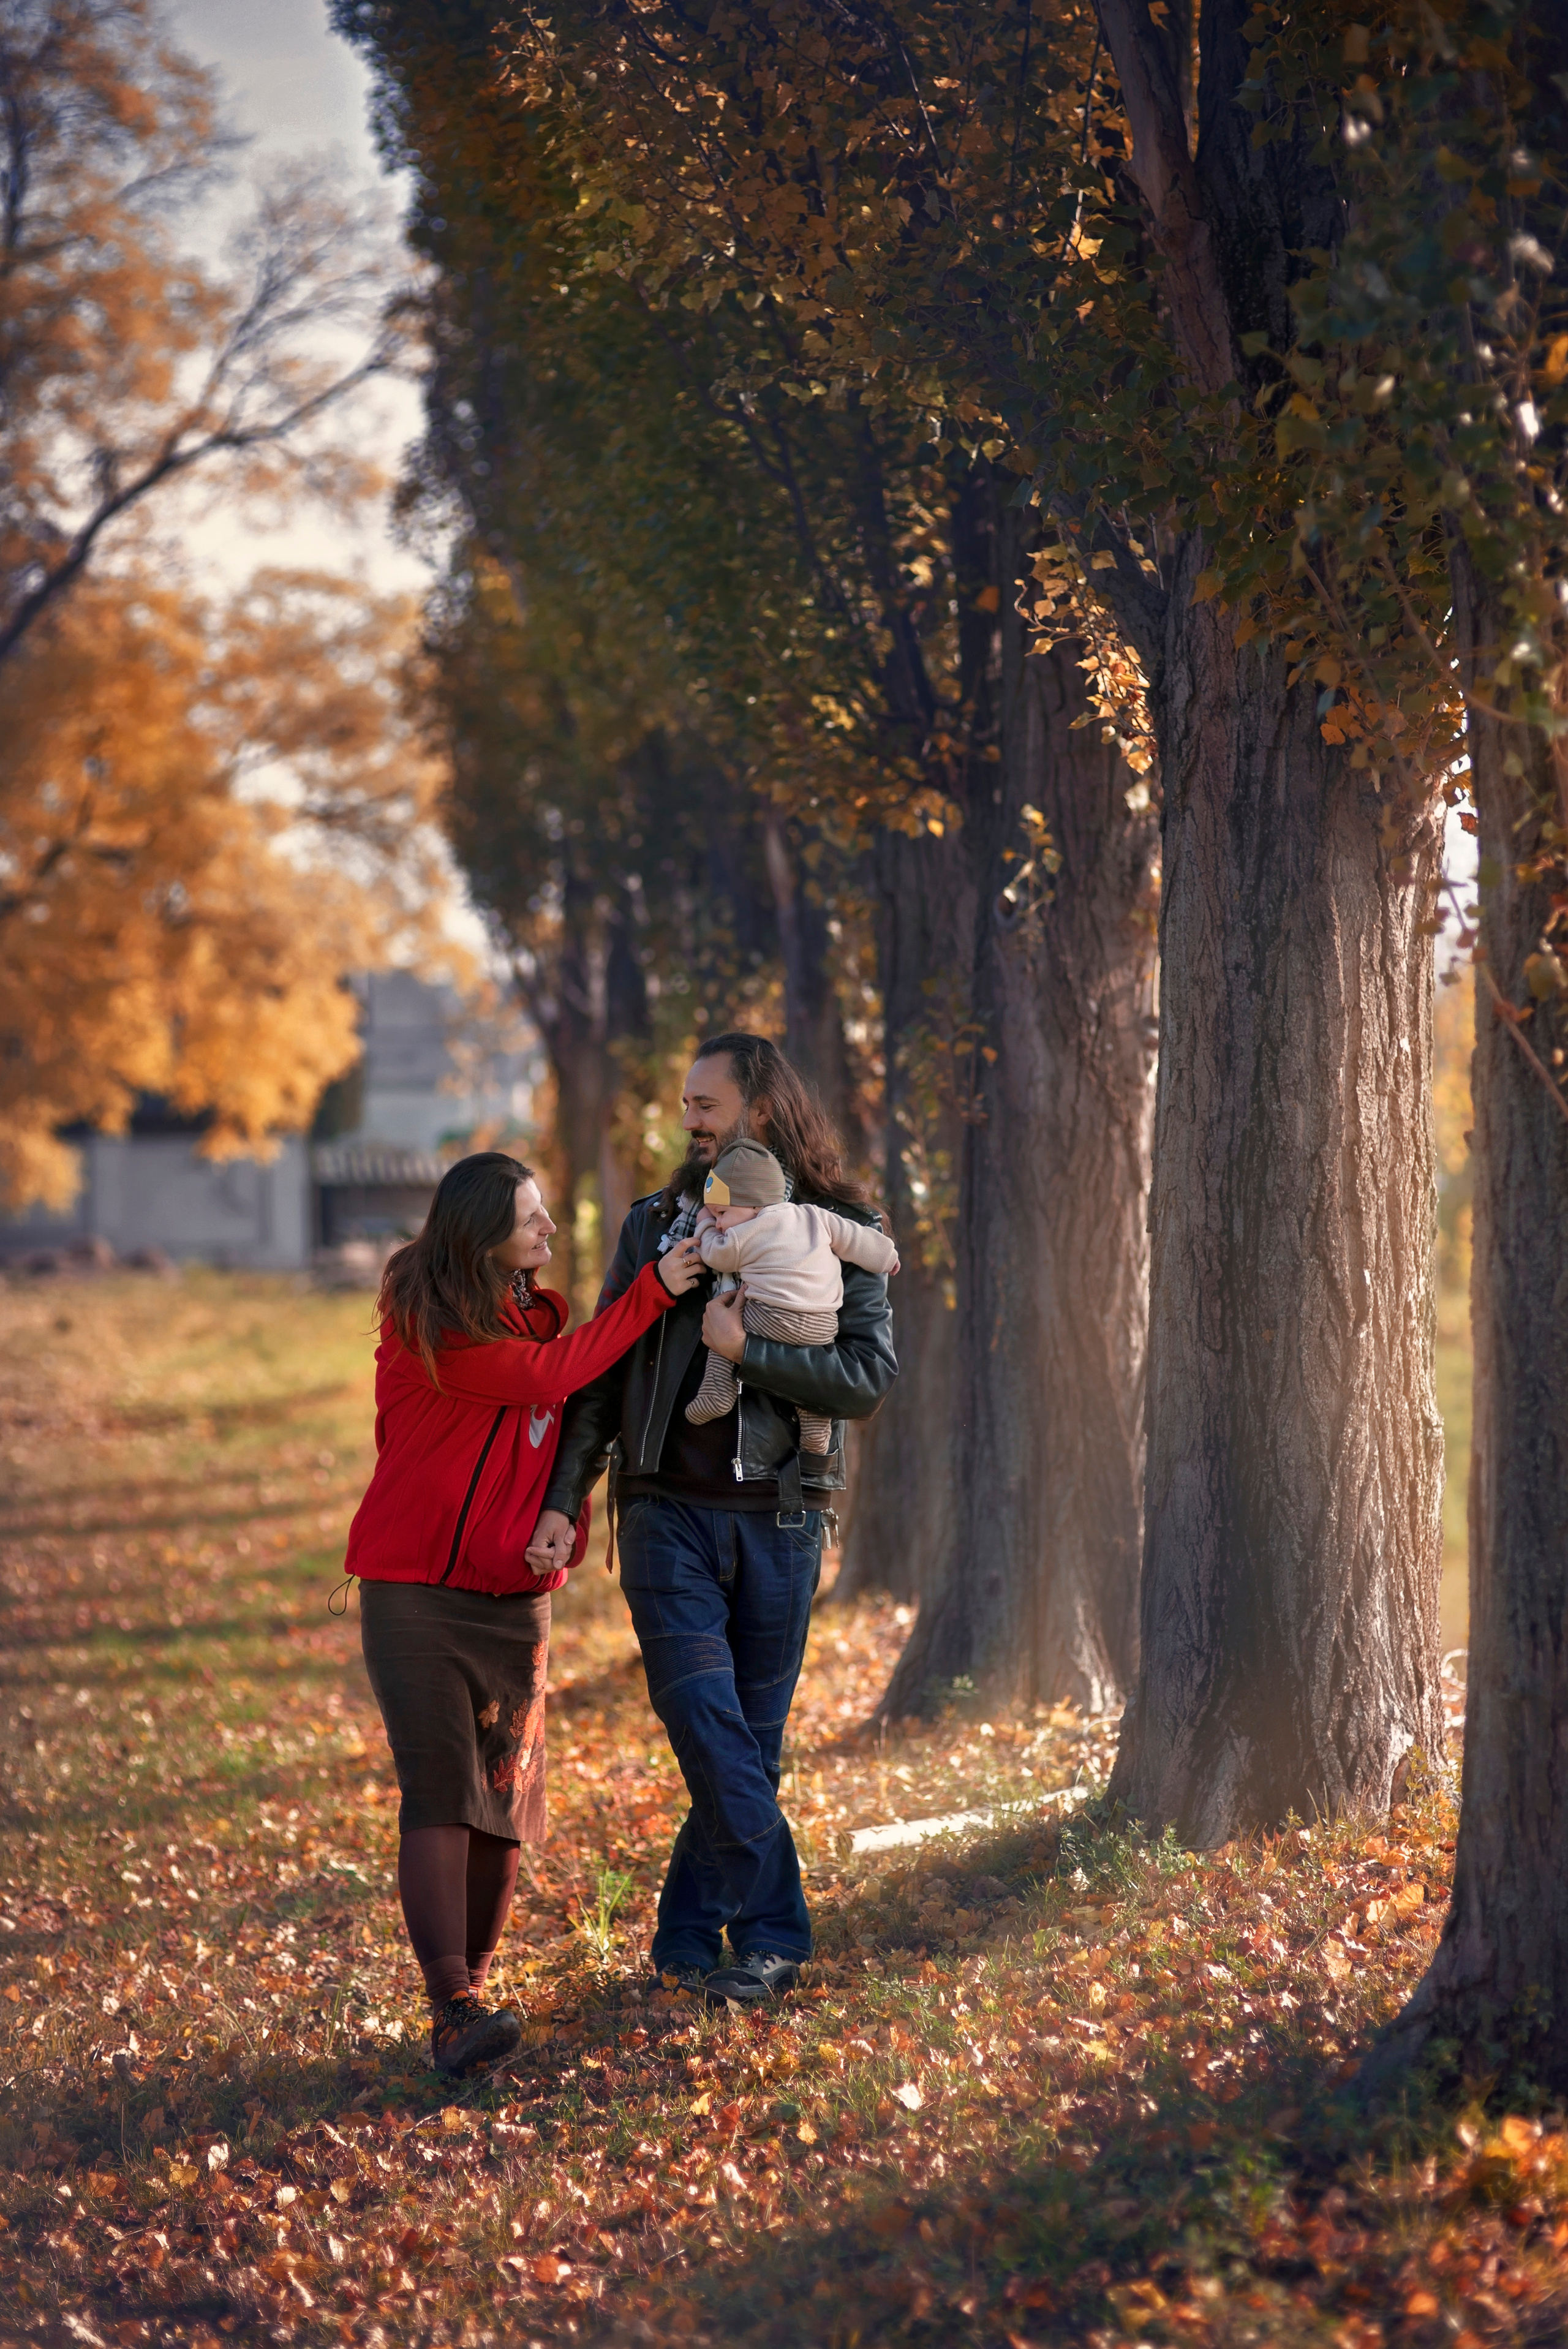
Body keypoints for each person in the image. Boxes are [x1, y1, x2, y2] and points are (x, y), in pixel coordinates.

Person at [526, 1035, 897, 2007]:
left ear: (760, 1110)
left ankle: (688, 1936)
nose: (689, 1117)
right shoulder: (655, 1222)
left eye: (707, 1102)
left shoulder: (839, 1225)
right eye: (685, 1101)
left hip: (782, 1519)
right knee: (703, 1715)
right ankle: (775, 1932)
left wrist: (751, 1352)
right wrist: (570, 1496)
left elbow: (866, 1378)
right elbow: (602, 1369)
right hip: (665, 1513)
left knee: (747, 1743)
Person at [342, 1151, 703, 2076]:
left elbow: (556, 1435)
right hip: (415, 1592)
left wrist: (563, 1526)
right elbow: (545, 1381)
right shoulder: (429, 1328)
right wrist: (655, 1286)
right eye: (532, 1217)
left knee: (504, 1803)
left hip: (512, 1602)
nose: (549, 1230)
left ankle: (476, 2002)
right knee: (442, 1788)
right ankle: (451, 2000)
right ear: (482, 1234)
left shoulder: (540, 1318)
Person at [685, 1136, 900, 1449]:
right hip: (823, 1327)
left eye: (722, 1213)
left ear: (754, 1204)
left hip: (769, 1318)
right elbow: (854, 1240)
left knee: (723, 1323)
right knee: (808, 1379)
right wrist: (887, 1257)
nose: (719, 1223)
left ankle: (717, 1393)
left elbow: (715, 1254)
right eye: (715, 1216)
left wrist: (703, 1227)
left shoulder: (743, 1235)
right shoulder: (815, 1215)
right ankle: (815, 1430)